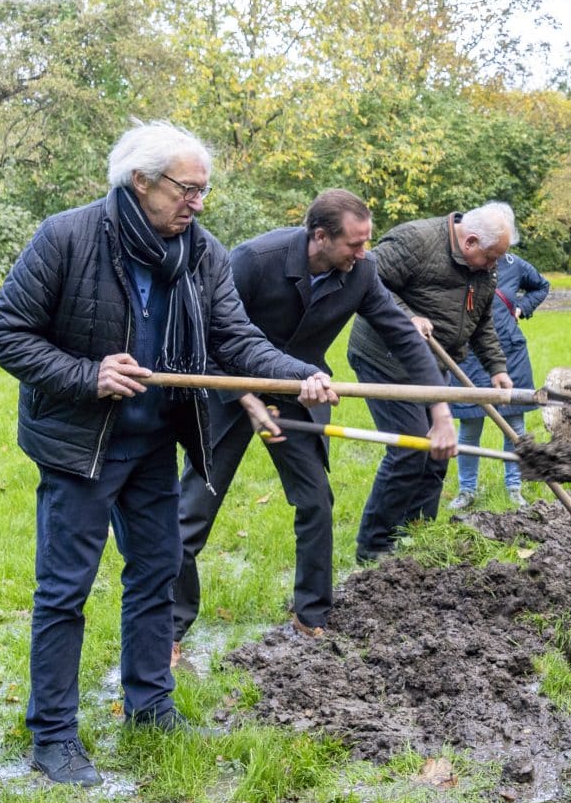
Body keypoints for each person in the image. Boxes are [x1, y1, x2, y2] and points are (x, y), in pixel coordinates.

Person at [0, 120, 336, 787]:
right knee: (64, 590)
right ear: (140, 181)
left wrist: (296, 374)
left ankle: (149, 708)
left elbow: (235, 337)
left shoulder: (202, 253)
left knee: (157, 572)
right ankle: (53, 735)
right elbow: (4, 331)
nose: (197, 201)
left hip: (153, 444)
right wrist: (87, 375)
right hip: (80, 447)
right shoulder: (67, 236)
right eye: (186, 188)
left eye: (204, 190)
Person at [172, 190, 459, 654]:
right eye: (355, 243)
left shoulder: (361, 273)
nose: (364, 253)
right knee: (193, 510)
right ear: (320, 236)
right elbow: (202, 334)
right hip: (228, 386)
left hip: (300, 391)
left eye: (366, 242)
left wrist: (440, 413)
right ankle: (169, 629)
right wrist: (246, 396)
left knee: (316, 501)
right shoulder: (255, 260)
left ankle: (311, 617)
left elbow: (405, 337)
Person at [350, 201, 515, 561]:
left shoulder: (483, 269)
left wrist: (497, 367)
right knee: (411, 448)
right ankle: (374, 547)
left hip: (431, 365)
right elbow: (364, 281)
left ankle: (417, 536)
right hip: (385, 360)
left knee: (439, 451)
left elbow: (481, 320)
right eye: (491, 257)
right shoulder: (415, 241)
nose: (493, 266)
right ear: (470, 242)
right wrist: (406, 316)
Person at [450, 244, 550, 508]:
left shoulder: (513, 264)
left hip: (509, 353)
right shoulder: (461, 262)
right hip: (470, 355)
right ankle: (467, 490)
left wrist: (521, 307)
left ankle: (514, 488)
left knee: (514, 427)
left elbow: (541, 286)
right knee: (470, 425)